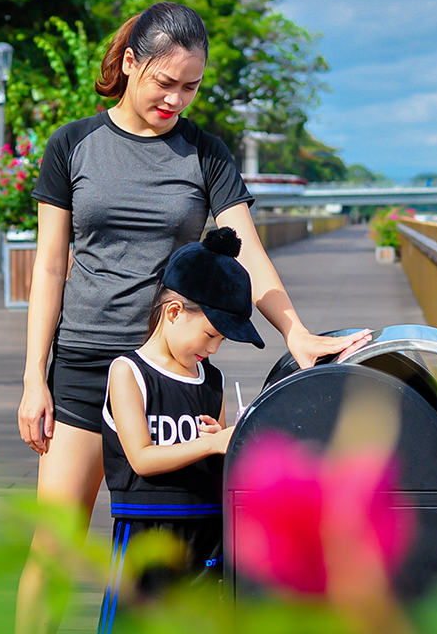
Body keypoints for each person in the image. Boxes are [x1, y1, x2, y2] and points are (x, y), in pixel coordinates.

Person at [15, 1, 370, 633]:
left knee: (172, 550)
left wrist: (296, 332)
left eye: (191, 87)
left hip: (167, 370)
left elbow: (249, 252)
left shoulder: (204, 154)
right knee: (55, 545)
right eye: (164, 82)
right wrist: (33, 379)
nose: (176, 99)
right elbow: (49, 269)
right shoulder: (73, 144)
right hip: (85, 364)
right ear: (130, 63)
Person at [98, 227, 261, 633]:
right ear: (173, 312)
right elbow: (142, 458)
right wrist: (209, 445)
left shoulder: (212, 380)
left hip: (208, 533)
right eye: (210, 334)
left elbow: (216, 451)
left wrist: (224, 441)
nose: (214, 349)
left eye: (222, 340)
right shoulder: (129, 372)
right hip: (148, 533)